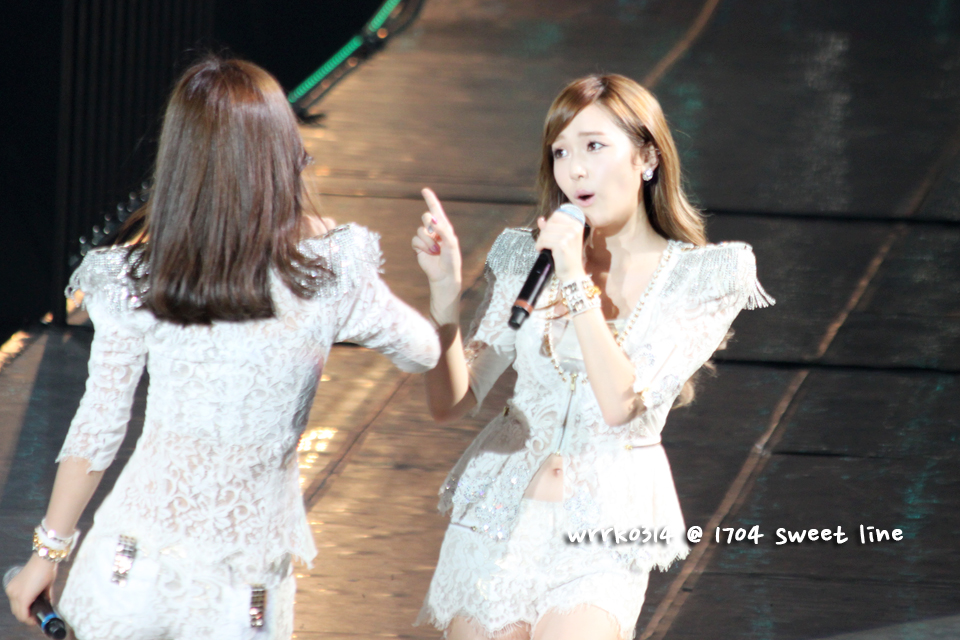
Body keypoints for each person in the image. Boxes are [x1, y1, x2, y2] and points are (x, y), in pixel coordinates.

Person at [5, 55, 440, 640]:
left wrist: (47, 554)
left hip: (128, 567)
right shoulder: (331, 270)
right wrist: (440, 285)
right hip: (244, 592)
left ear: (181, 161)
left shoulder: (137, 278)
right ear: (281, 152)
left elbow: (98, 427)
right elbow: (423, 351)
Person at [411, 74, 775, 640]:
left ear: (647, 157)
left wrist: (575, 281)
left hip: (602, 531)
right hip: (497, 516)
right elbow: (451, 402)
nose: (574, 170)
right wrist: (442, 298)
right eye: (560, 152)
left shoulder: (701, 277)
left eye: (594, 146)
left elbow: (621, 404)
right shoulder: (525, 258)